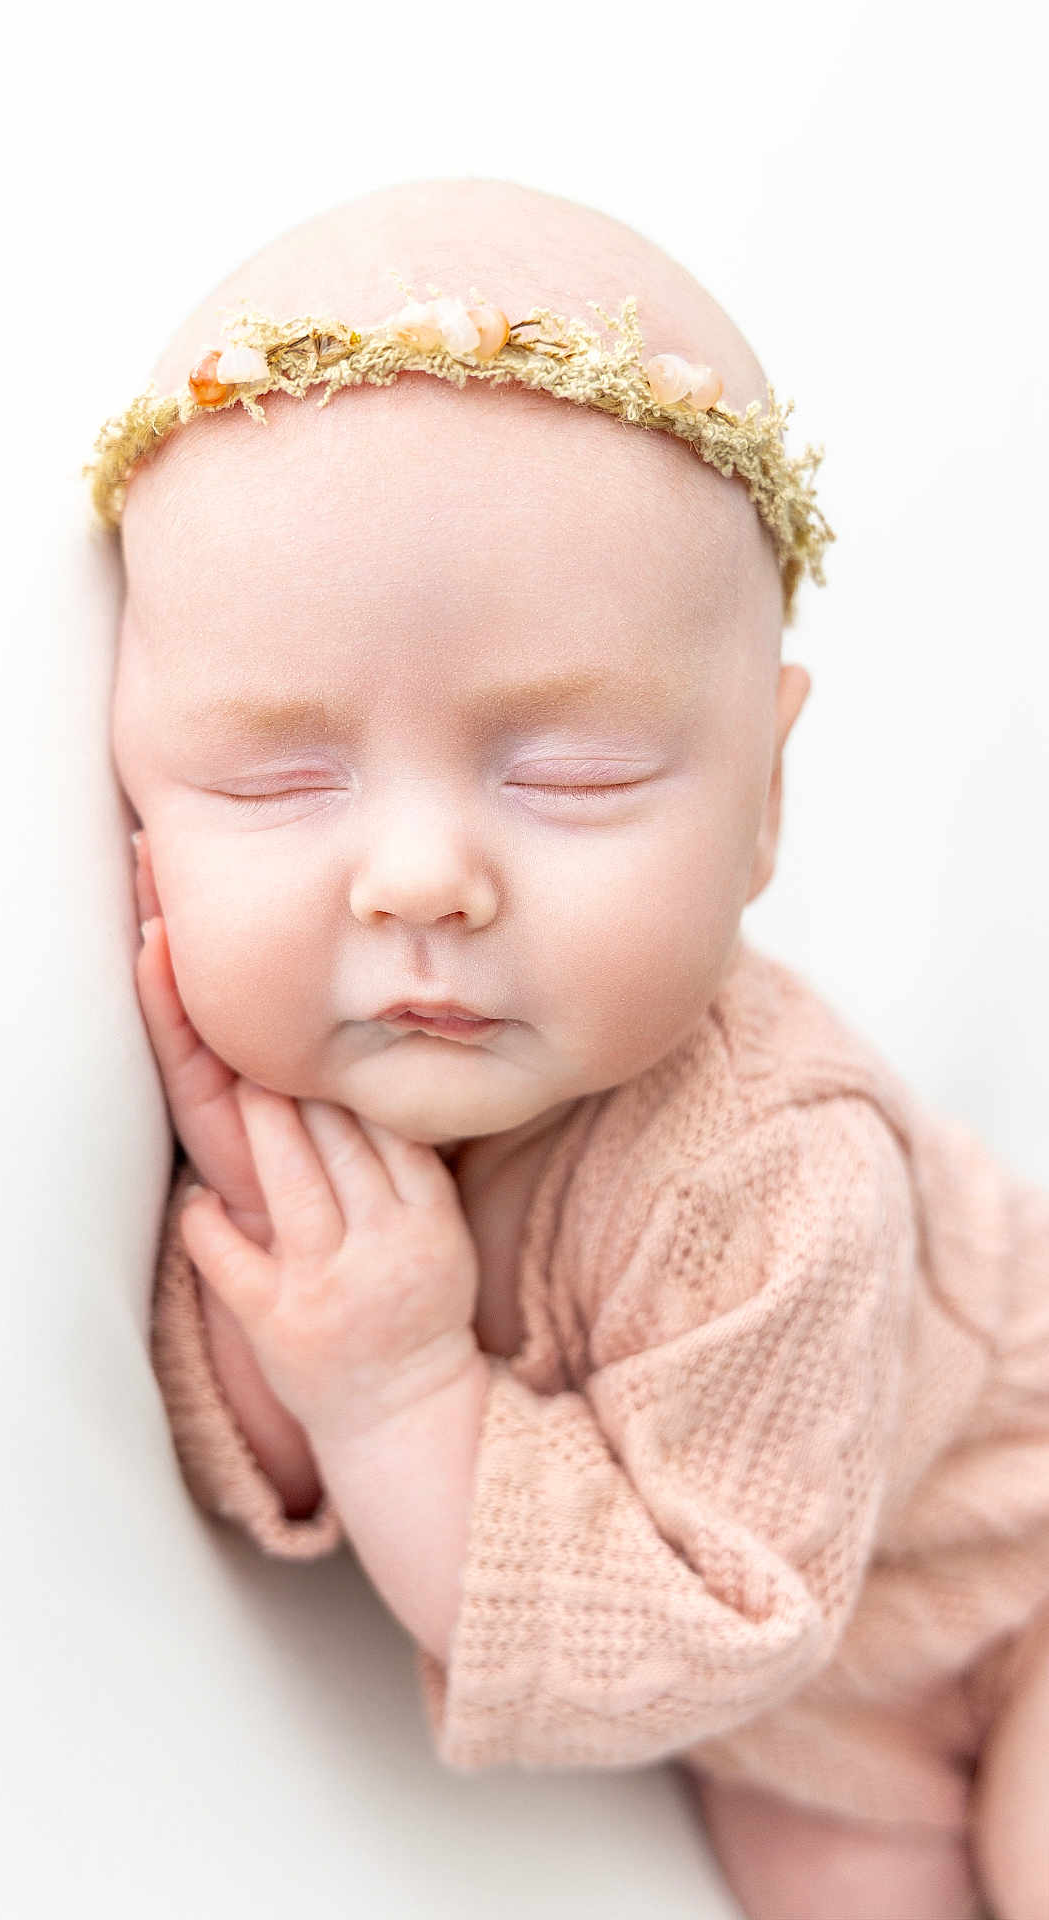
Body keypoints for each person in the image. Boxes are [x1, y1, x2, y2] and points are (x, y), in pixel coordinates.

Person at [88, 177, 1048, 1920]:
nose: (424, 880)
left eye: (574, 780)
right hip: (815, 1723)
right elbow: (258, 1479)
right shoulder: (286, 1070)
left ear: (765, 797)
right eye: (276, 784)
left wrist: (392, 1391)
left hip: (1004, 1561)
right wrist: (276, 1294)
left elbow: (701, 1632)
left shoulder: (778, 1161)